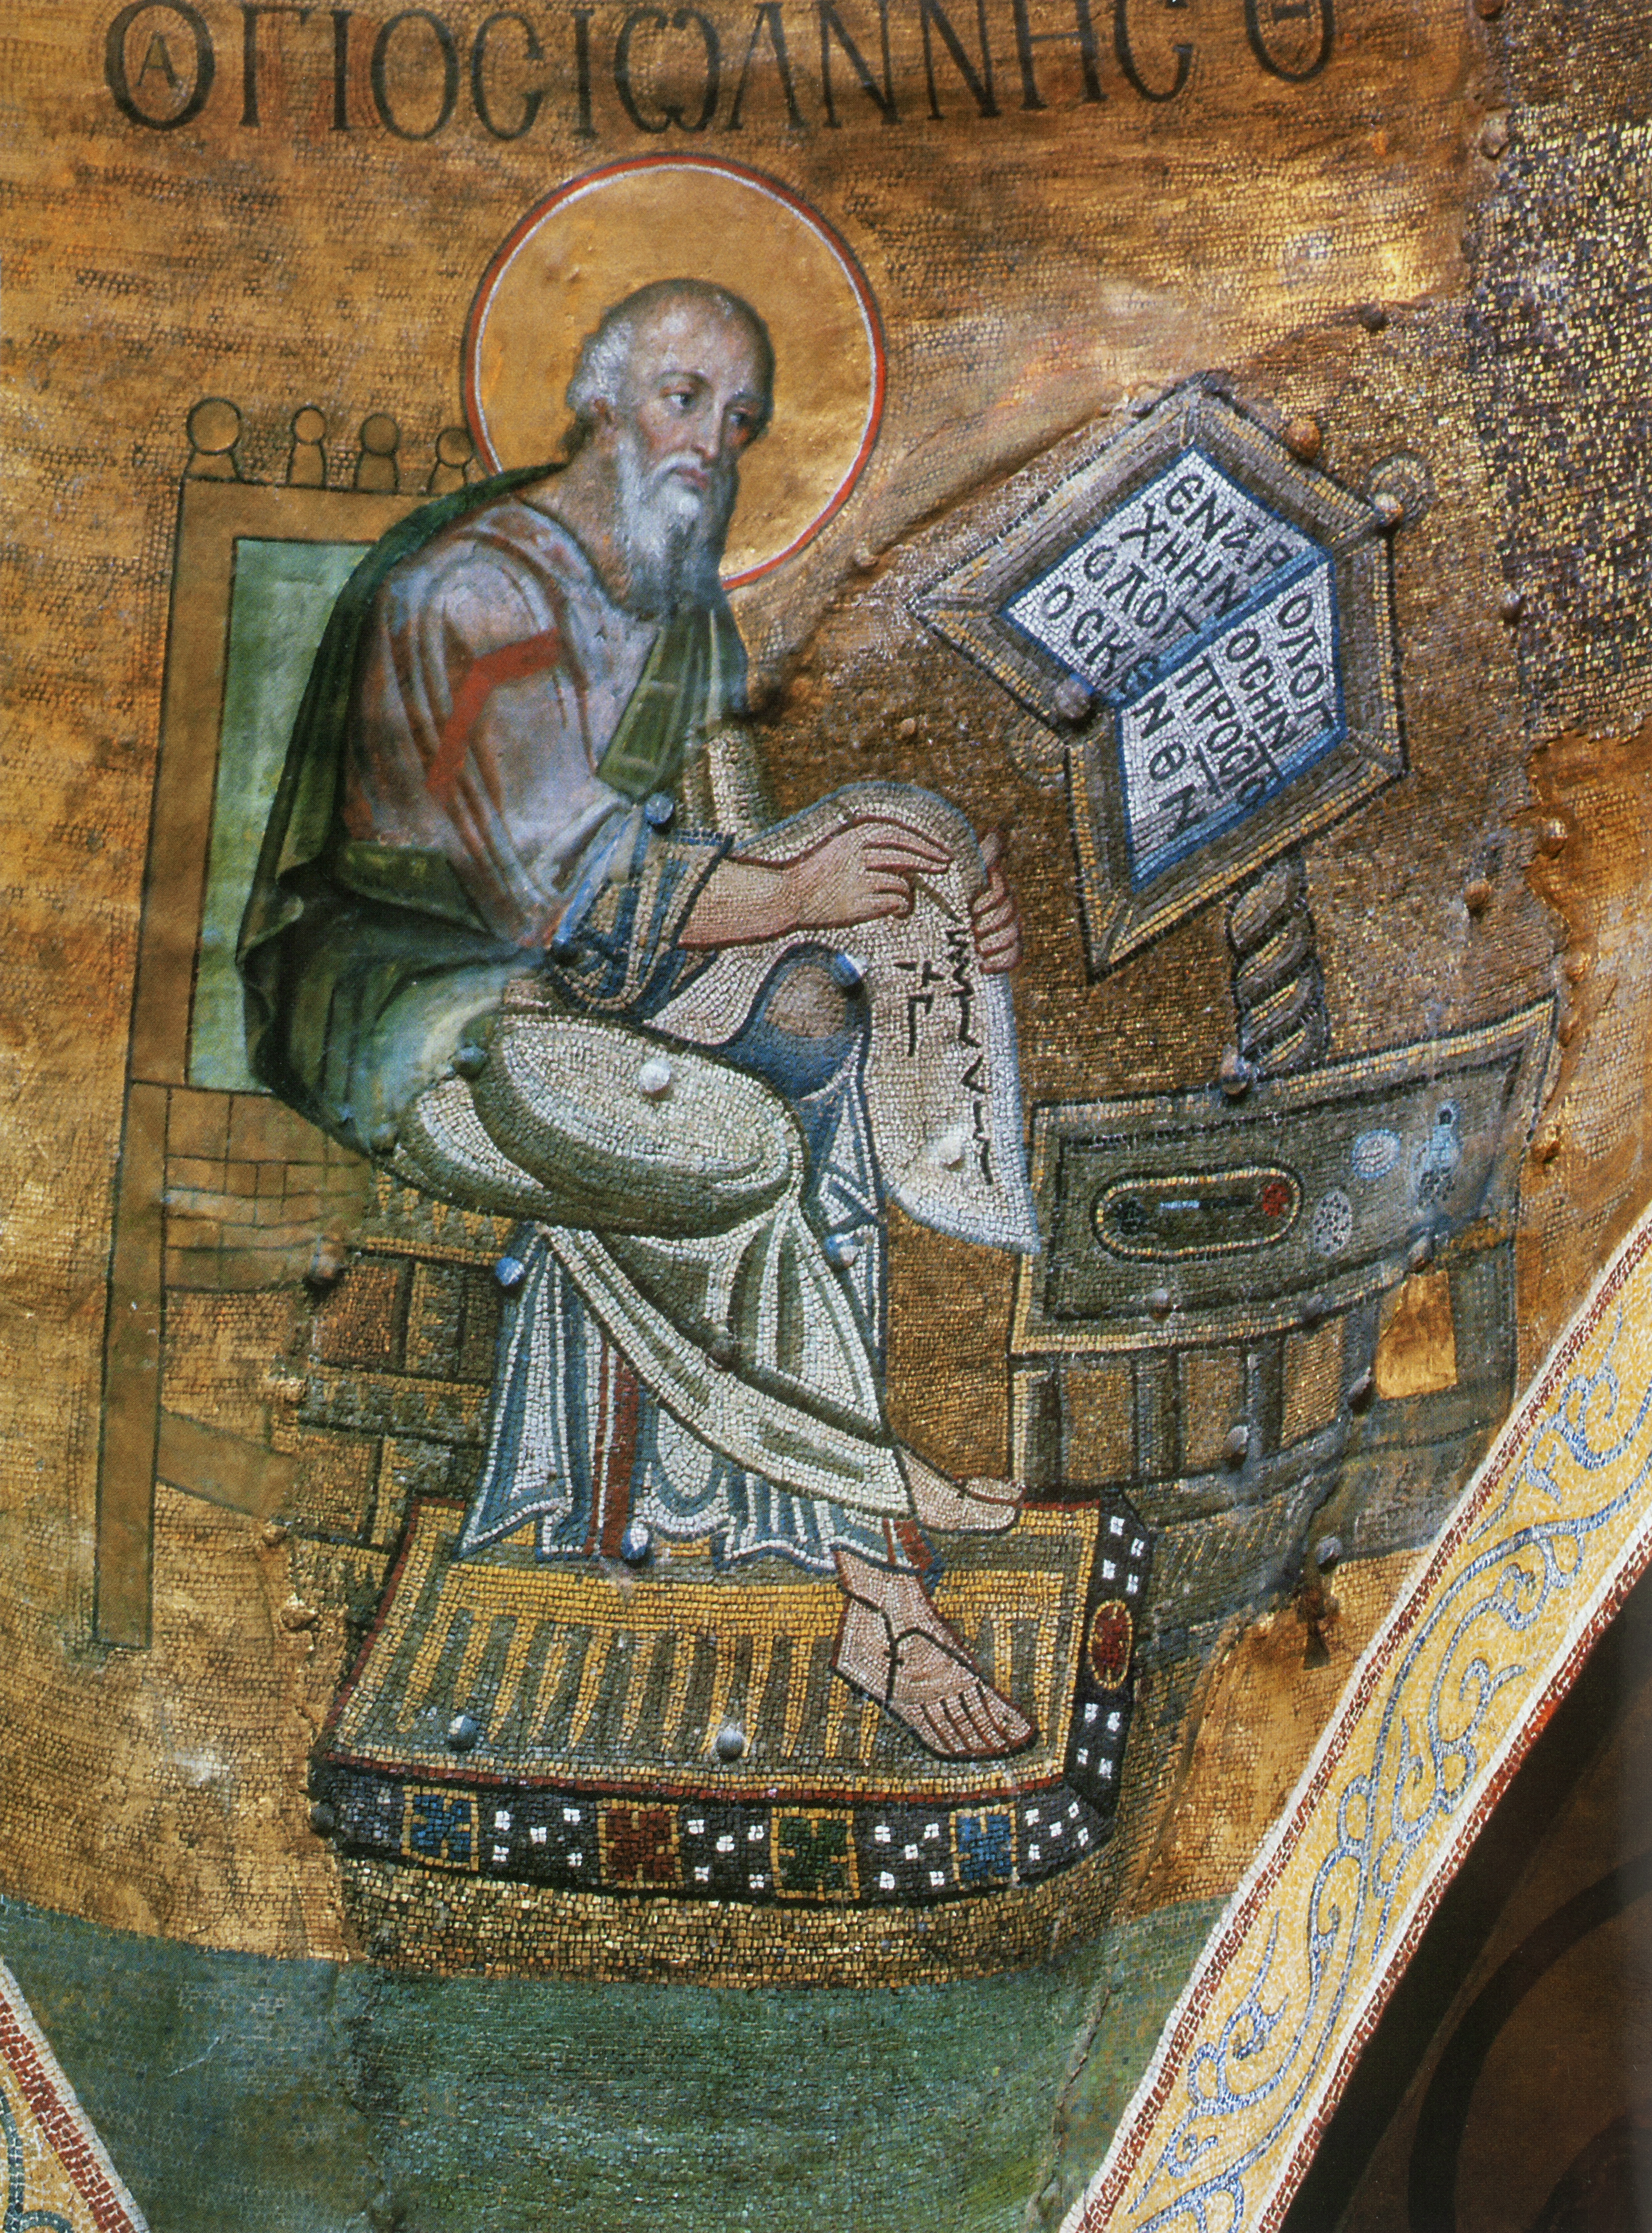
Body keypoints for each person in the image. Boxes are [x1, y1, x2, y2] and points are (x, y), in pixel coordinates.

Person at [240, 278, 1034, 1761]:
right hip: (420, 1015)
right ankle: (884, 1582)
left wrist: (918, 902)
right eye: (683, 399)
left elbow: (733, 831)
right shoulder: (468, 594)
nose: (710, 445)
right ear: (598, 401)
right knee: (727, 1150)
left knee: (819, 1019)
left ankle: (816, 1504)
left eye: (738, 421)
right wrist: (793, 880)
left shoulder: (675, 601)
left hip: (580, 995)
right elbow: (559, 886)